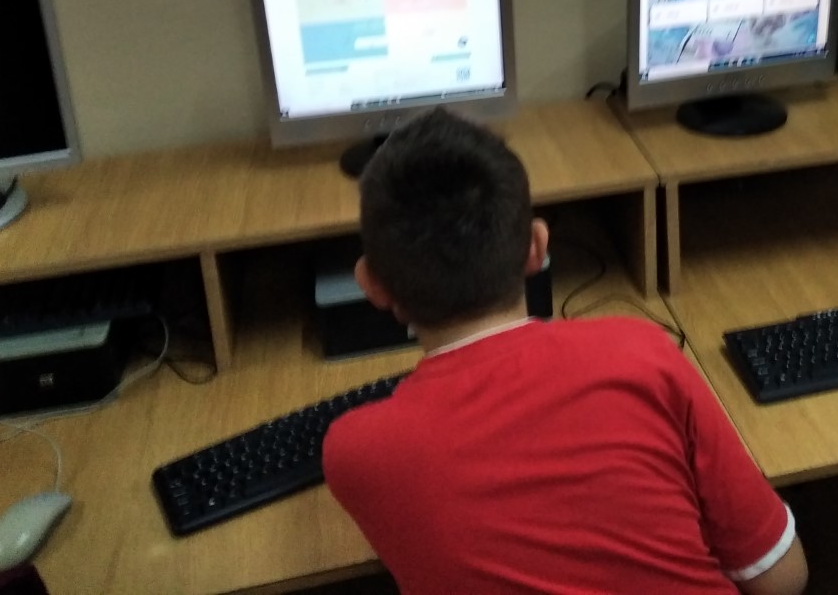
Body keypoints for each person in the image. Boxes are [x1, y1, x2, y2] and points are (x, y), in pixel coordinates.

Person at [323, 108, 807, 595]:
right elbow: (784, 579)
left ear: (371, 284)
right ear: (537, 248)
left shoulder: (355, 453)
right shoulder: (640, 353)